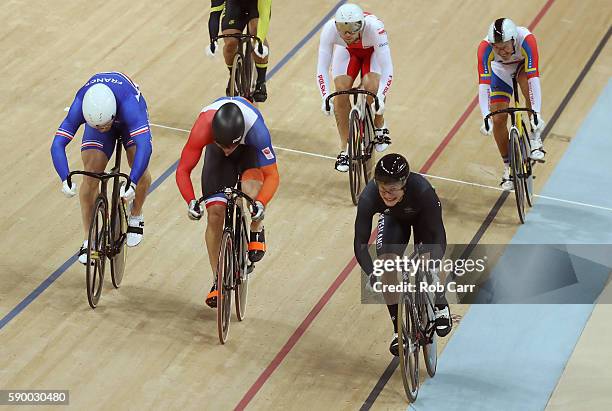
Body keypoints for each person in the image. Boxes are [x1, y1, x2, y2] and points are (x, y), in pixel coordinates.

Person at [176, 97, 279, 308]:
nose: (226, 150)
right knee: (214, 215)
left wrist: (260, 203)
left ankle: (256, 227)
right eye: (222, 145)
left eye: (229, 146)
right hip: (216, 157)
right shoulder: (203, 127)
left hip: (248, 151)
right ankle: (218, 279)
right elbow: (183, 170)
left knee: (251, 193)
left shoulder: (257, 131)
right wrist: (190, 201)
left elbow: (273, 176)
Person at [354, 153, 451, 356]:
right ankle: (399, 329)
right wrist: (372, 273)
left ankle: (441, 302)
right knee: (386, 268)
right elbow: (360, 244)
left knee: (427, 261)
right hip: (394, 220)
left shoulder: (423, 191)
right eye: (383, 190)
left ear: (404, 185)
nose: (387, 195)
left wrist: (433, 266)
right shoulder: (369, 197)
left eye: (392, 190)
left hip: (423, 219)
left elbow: (438, 235)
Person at [51, 72, 153, 264]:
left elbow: (145, 147)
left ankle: (136, 214)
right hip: (101, 115)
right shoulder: (81, 105)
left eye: (104, 125)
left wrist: (132, 182)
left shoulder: (130, 106)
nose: (102, 129)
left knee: (137, 165)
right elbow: (57, 144)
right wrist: (64, 178)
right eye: (98, 126)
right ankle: (89, 241)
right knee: (90, 175)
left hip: (126, 120)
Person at [316, 3, 394, 172]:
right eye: (342, 29)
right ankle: (346, 149)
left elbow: (387, 69)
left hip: (371, 53)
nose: (348, 34)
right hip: (347, 53)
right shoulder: (330, 29)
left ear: (361, 24)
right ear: (336, 25)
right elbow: (322, 68)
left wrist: (381, 96)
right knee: (340, 93)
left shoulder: (375, 28)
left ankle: (379, 125)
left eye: (352, 28)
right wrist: (325, 97)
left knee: (372, 87)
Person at [477, 17, 546, 190]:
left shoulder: (527, 40)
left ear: (514, 40)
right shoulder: (485, 49)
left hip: (523, 67)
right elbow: (483, 84)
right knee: (498, 118)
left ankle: (536, 138)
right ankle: (508, 167)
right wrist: (486, 116)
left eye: (506, 46)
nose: (502, 52)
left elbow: (534, 78)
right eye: (497, 48)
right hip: (500, 71)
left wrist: (536, 113)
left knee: (526, 86)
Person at [207, 0, 272, 102]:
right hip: (234, 5)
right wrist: (213, 40)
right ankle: (233, 75)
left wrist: (260, 42)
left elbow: (264, 14)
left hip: (256, 7)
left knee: (256, 32)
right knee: (230, 43)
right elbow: (215, 13)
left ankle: (261, 80)